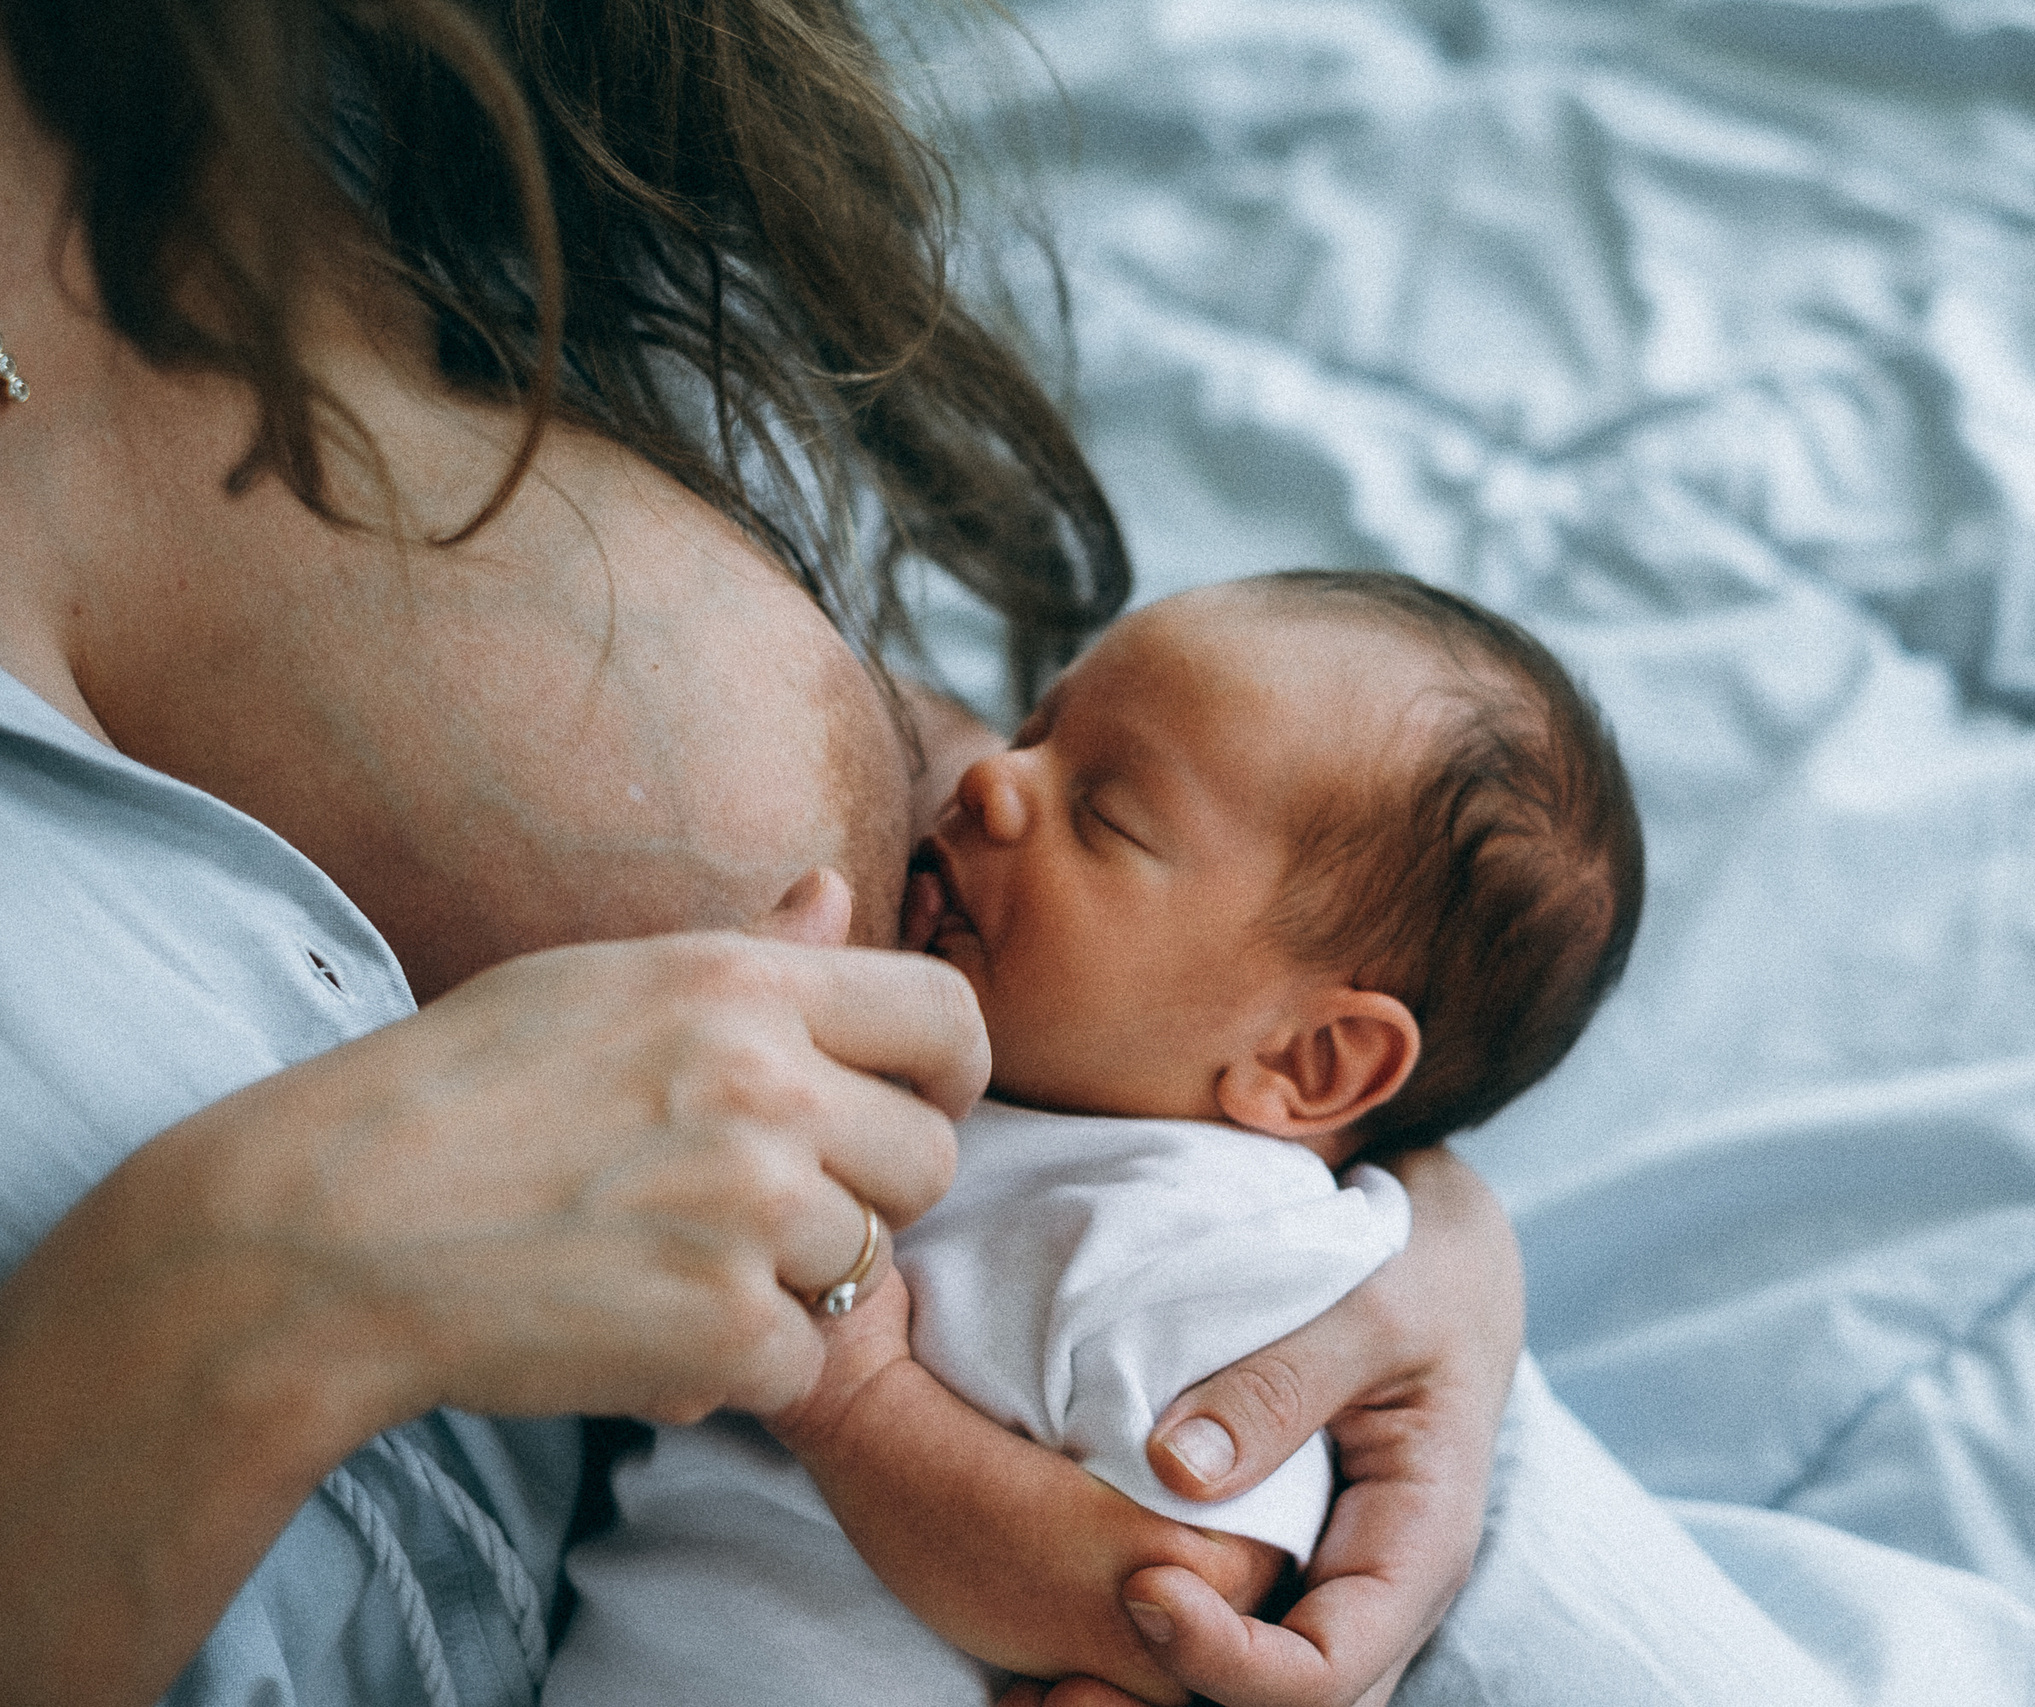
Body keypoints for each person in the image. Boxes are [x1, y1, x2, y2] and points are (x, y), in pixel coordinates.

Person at [0, 6, 1526, 1705]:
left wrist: (1405, 1195)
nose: (1000, 787)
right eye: (1039, 753)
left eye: (1088, 795)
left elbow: (1198, 1576)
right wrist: (267, 1271)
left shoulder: (331, 79)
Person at [545, 569, 1645, 1705]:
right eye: (1036, 729)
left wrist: (852, 1397)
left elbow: (1166, 1597)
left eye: (1104, 814)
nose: (990, 779)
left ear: (1304, 1063)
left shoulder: (1221, 1235)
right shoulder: (974, 1084)